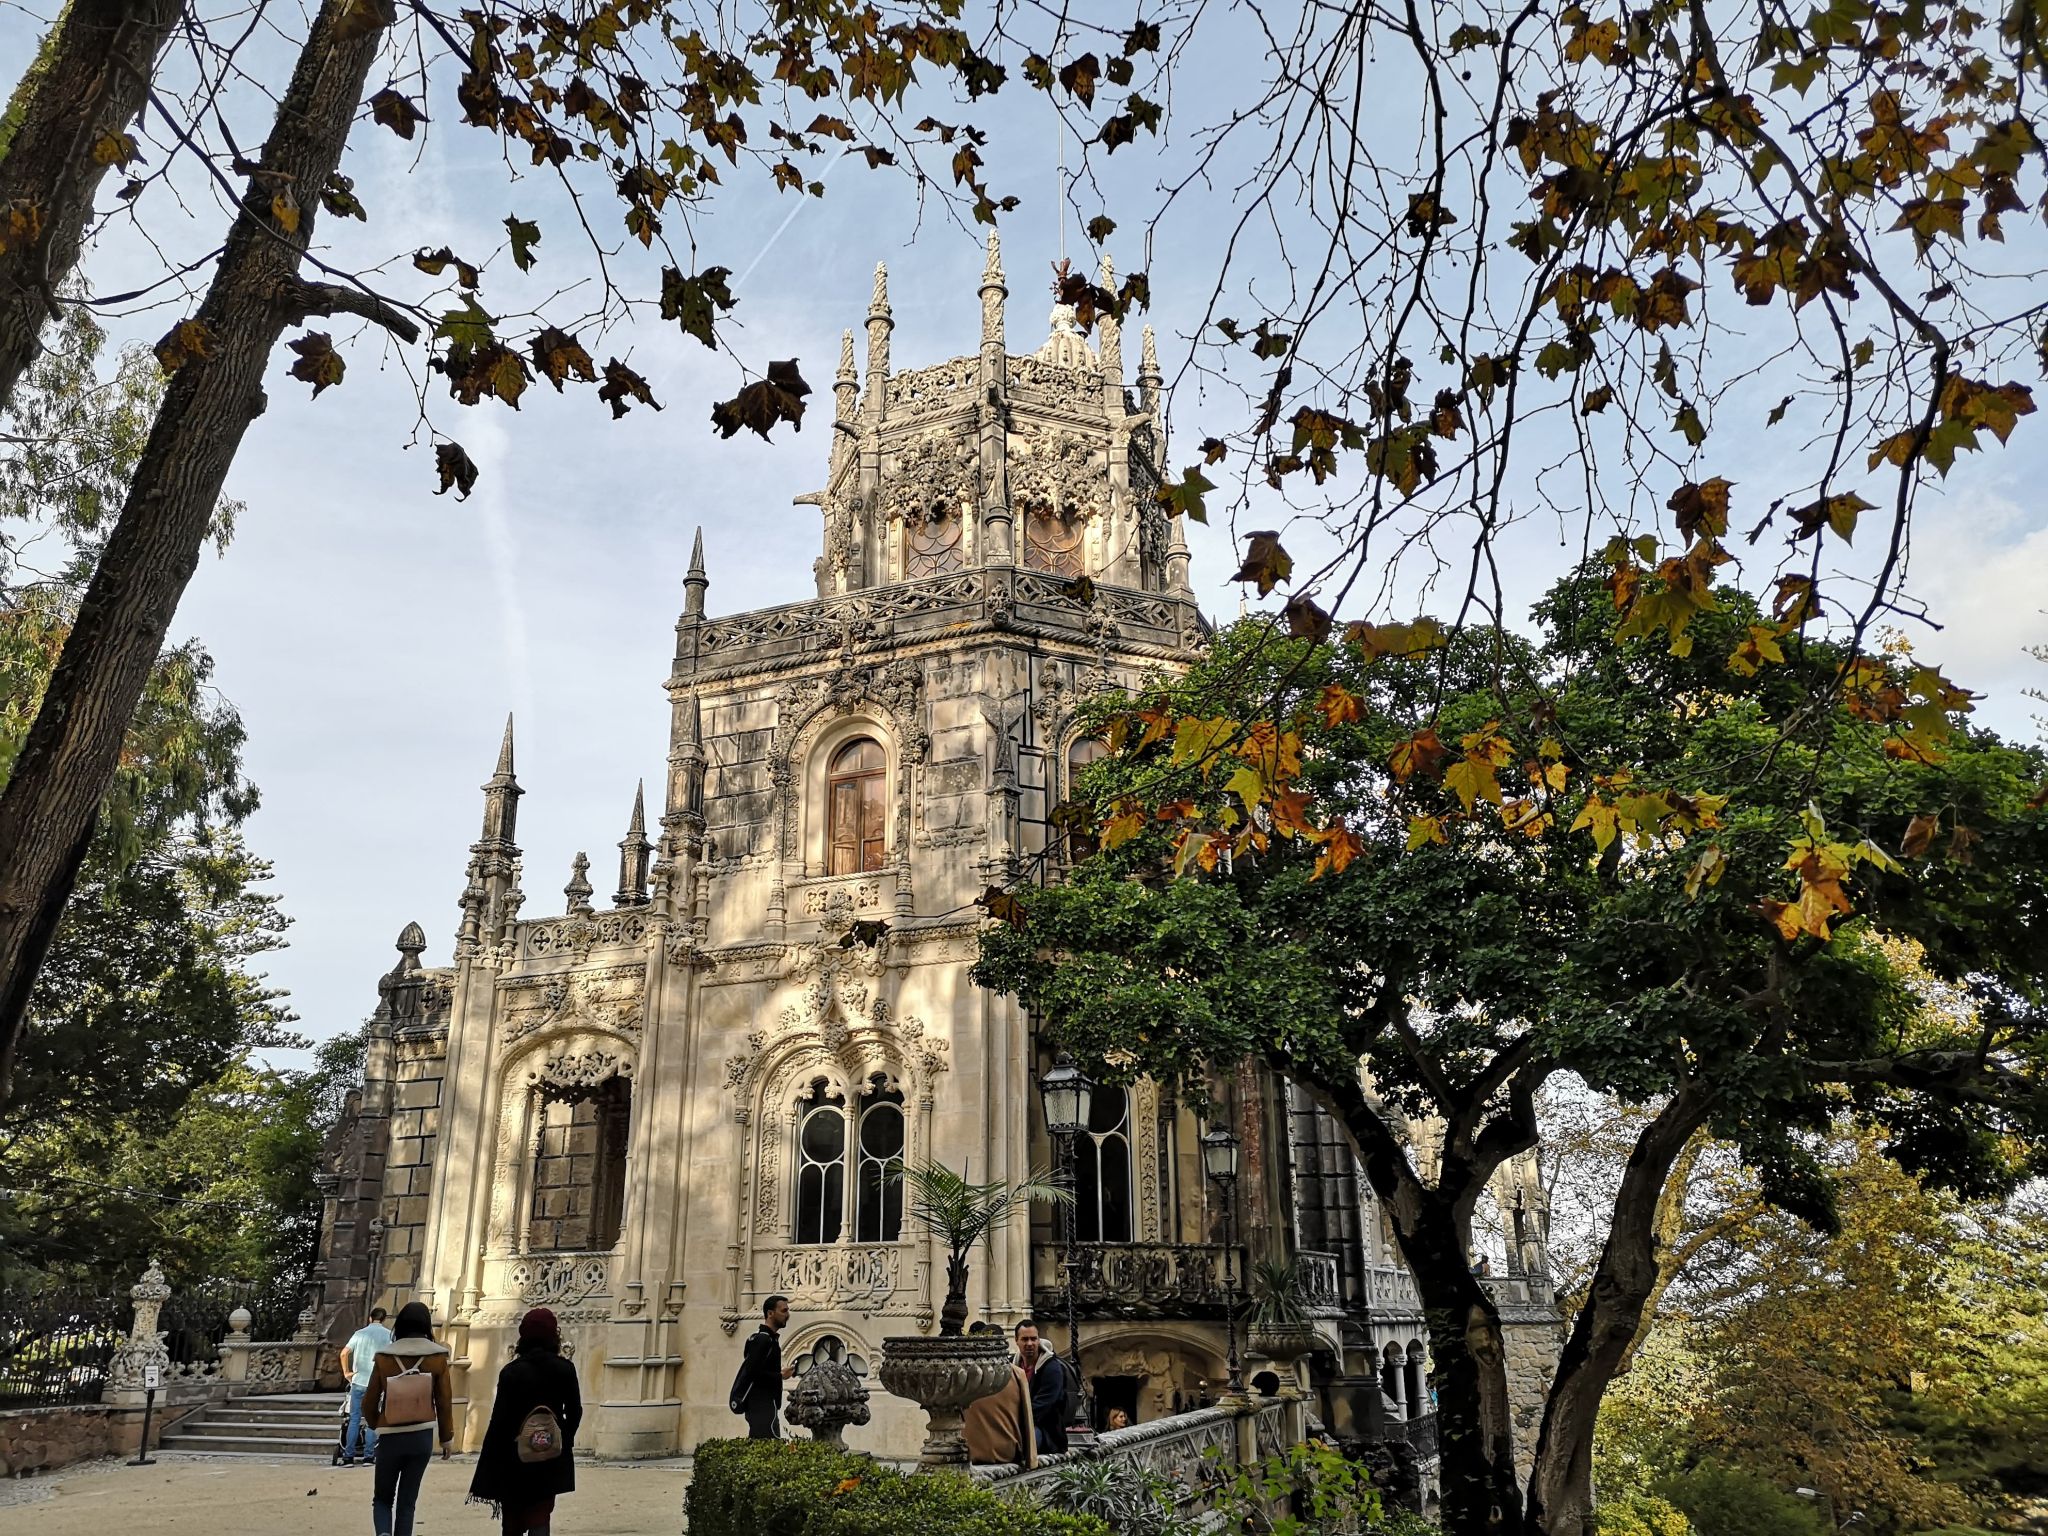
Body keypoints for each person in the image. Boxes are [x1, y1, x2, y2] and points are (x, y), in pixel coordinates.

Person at [469, 1307, 582, 1536]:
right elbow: (575, 1411)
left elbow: (498, 1420)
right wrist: (562, 1438)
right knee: (541, 1513)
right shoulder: (564, 1369)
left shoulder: (511, 1372)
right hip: (549, 1452)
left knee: (512, 1518)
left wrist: (492, 1464)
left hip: (515, 1454)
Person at [364, 1301, 454, 1536]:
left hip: (390, 1434)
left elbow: (369, 1401)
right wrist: (446, 1438)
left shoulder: (384, 1357)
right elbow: (444, 1402)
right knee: (407, 1502)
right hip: (421, 1434)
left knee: (382, 1498)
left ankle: (383, 1533)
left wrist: (377, 1424)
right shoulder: (437, 1358)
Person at [729, 1294, 793, 1439]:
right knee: (766, 1446)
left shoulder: (769, 1339)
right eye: (783, 1311)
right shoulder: (763, 1340)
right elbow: (752, 1372)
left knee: (768, 1446)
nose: (787, 1315)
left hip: (766, 1404)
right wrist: (780, 1376)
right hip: (760, 1404)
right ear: (770, 1313)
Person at [339, 1306, 392, 1466]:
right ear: (384, 1319)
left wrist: (346, 1372)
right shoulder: (388, 1335)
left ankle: (348, 1456)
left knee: (354, 1419)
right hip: (376, 1382)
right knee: (372, 1420)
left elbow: (344, 1353)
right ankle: (369, 1456)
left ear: (370, 1318)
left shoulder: (359, 1334)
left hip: (358, 1381)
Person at [963, 1355, 1036, 1468]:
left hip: (968, 1453)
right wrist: (1031, 1460)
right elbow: (1027, 1419)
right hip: (1007, 1452)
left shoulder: (961, 1372)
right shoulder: (1016, 1373)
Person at [1014, 1319, 1070, 1455]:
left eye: (1033, 1339)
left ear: (1039, 1340)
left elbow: (1041, 1407)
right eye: (1025, 1339)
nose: (1030, 1344)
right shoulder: (1012, 1366)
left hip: (1047, 1434)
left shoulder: (1052, 1368)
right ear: (1016, 1340)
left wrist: (1012, 1423)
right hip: (1017, 1425)